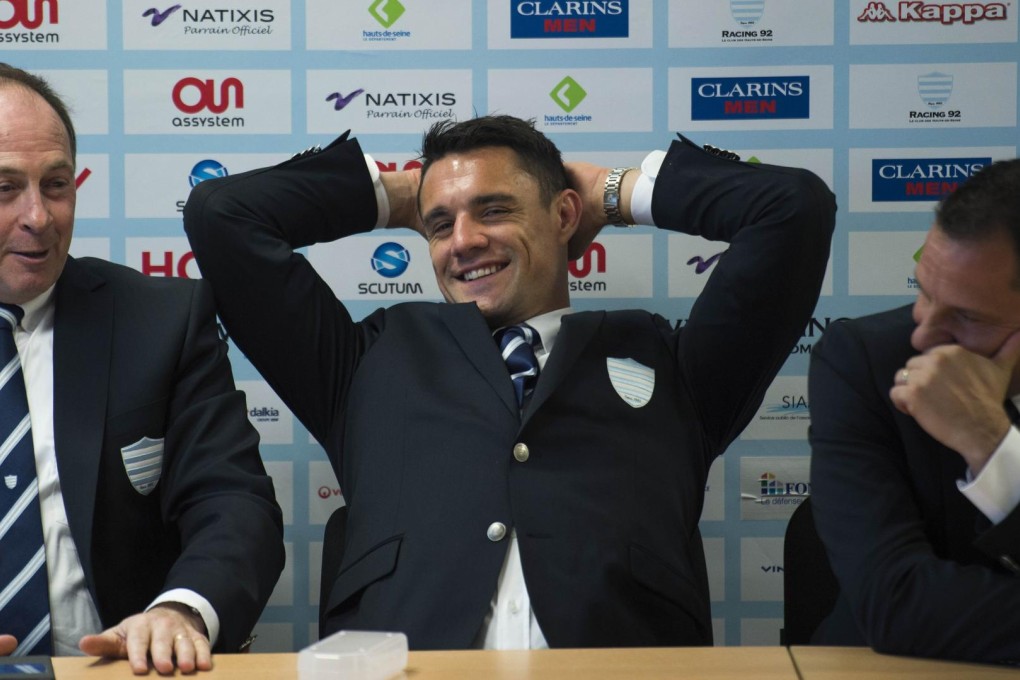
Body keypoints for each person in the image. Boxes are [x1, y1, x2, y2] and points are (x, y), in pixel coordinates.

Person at [184, 115, 834, 650]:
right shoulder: (360, 360)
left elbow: (793, 209)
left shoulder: (675, 363)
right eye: (441, 225)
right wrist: (398, 195)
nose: (463, 241)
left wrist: (616, 191)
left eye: (493, 211)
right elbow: (222, 214)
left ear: (563, 217)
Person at [0, 64, 284, 673]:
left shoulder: (159, 320)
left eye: (55, 185)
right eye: (4, 188)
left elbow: (234, 503)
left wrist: (181, 612)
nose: (39, 218)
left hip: (117, 671)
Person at [808, 158, 1020, 663]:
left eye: (967, 317)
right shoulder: (868, 361)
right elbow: (896, 603)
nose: (922, 336)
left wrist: (992, 445)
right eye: (924, 291)